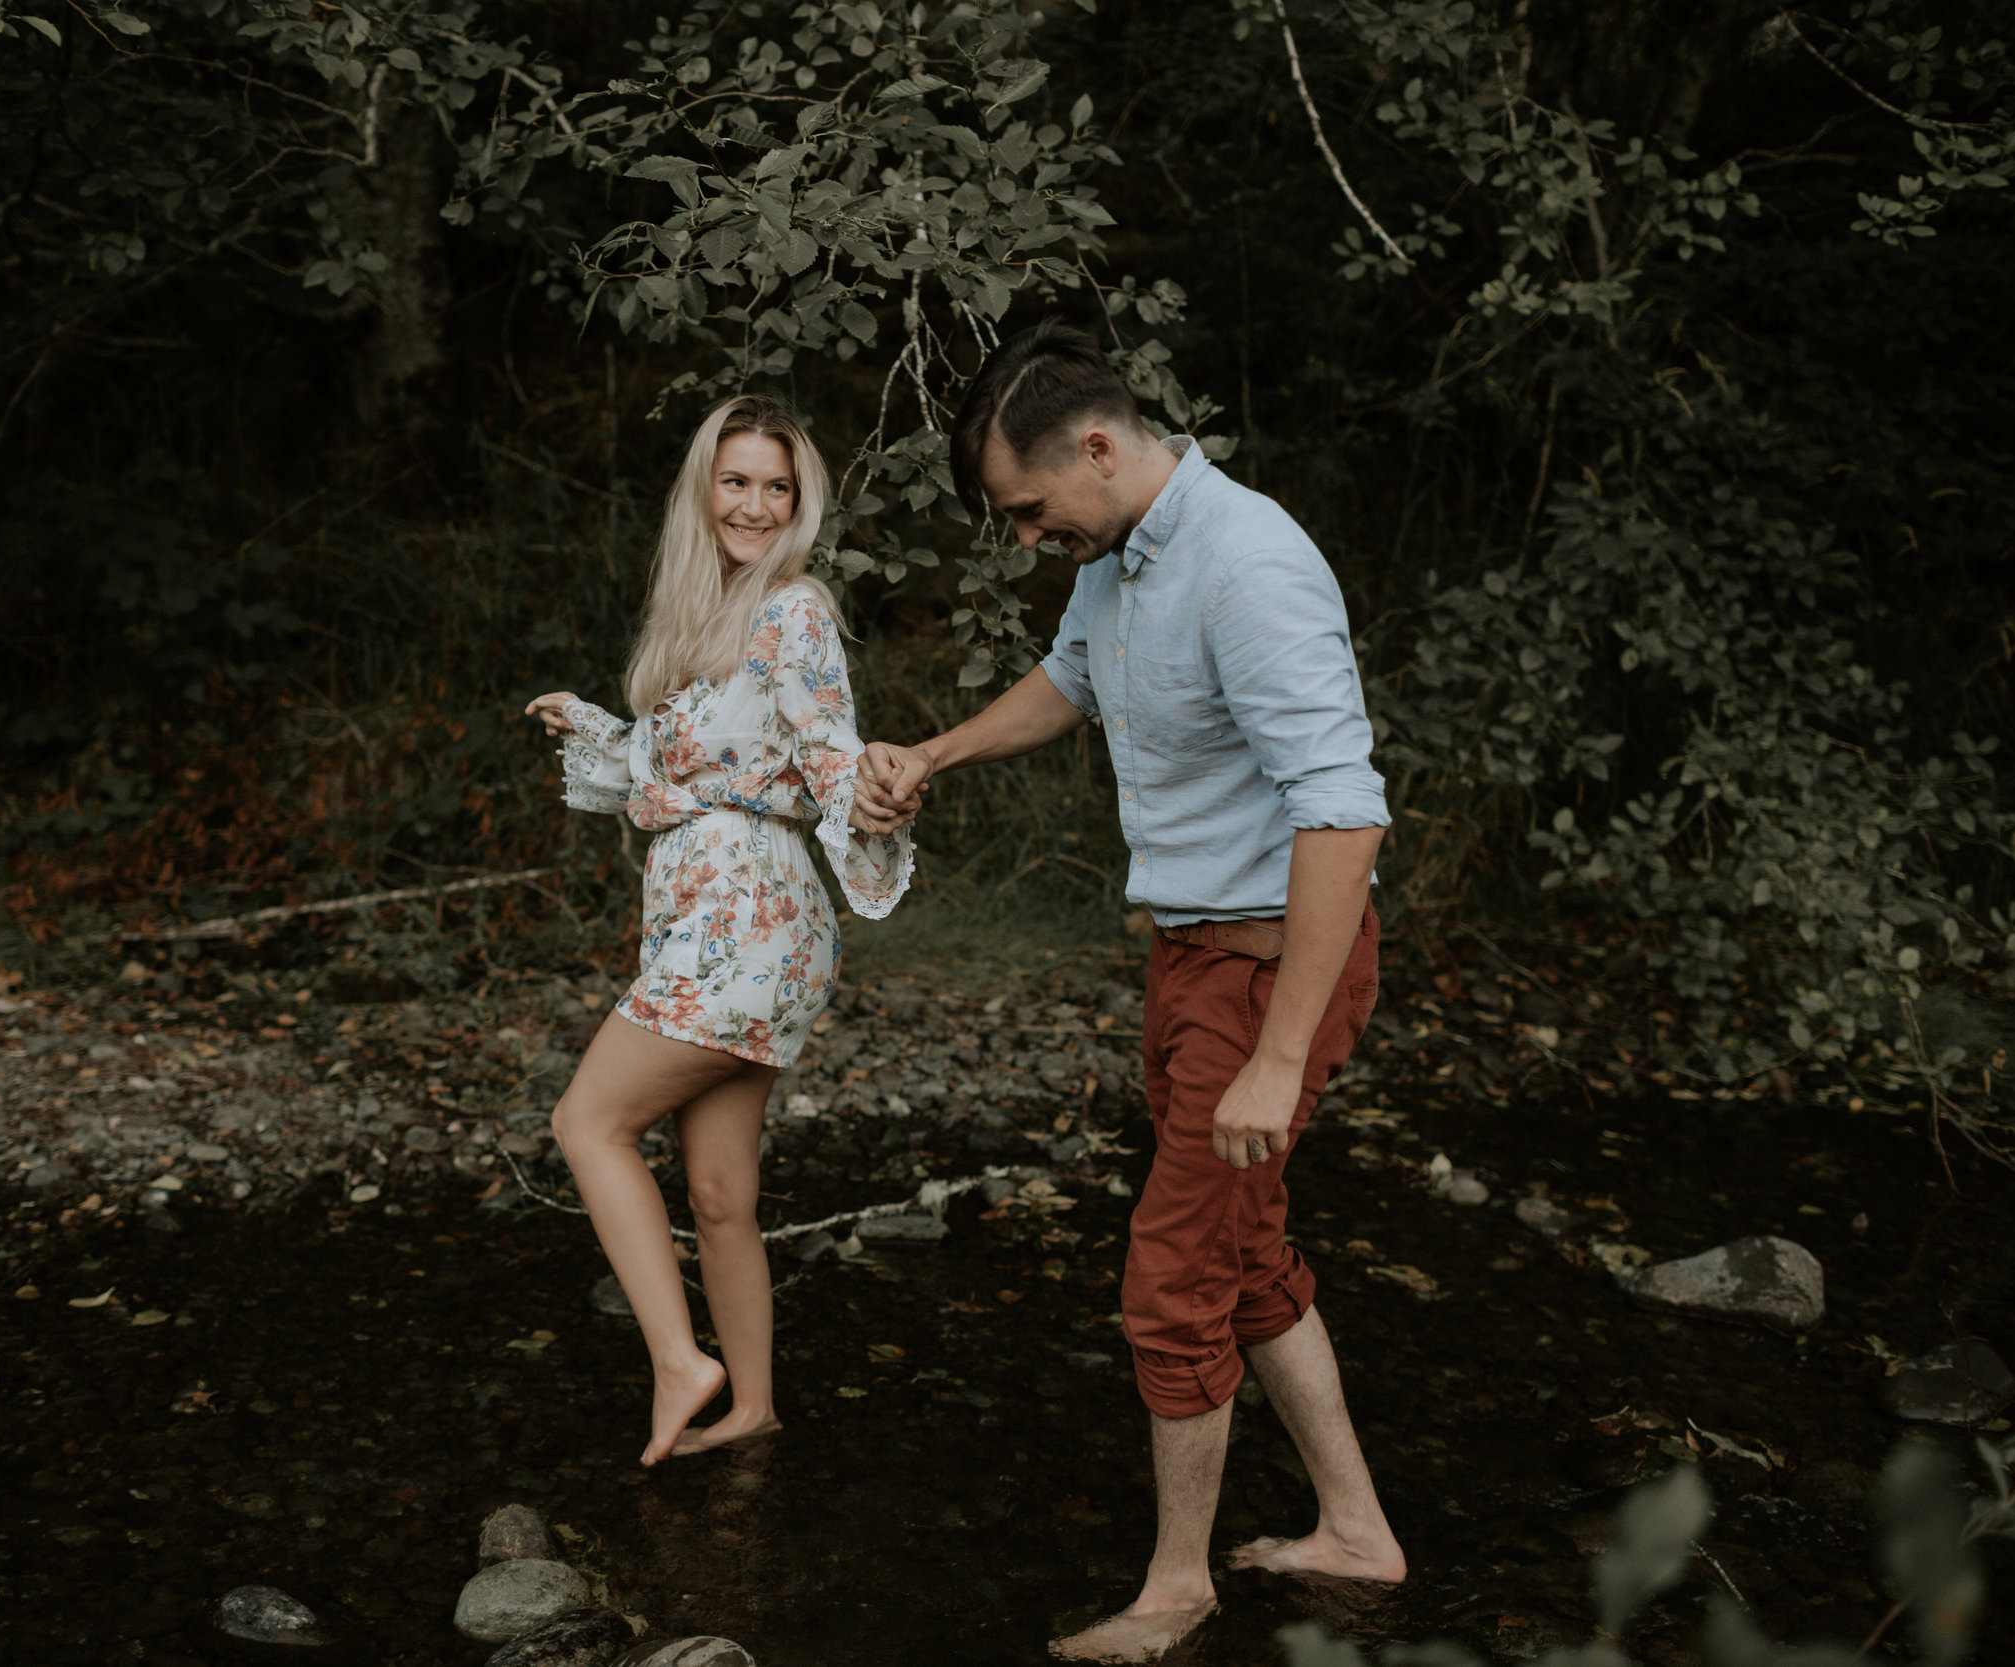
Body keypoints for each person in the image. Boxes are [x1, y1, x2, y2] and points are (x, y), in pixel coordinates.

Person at [858, 320, 1405, 1661]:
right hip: (1191, 956)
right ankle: (1356, 1530)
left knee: (1173, 1276)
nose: (1030, 536)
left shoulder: (1249, 562)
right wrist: (936, 751)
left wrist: (1277, 1056)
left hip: (1267, 976)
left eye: (1032, 509)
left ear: (1098, 445)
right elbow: (1069, 681)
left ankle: (1176, 1589)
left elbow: (1343, 816)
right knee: (1244, 1247)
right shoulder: (1127, 554)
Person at [525, 393, 917, 1467]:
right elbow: (699, 772)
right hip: (731, 920)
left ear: (800, 503)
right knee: (719, 1194)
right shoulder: (707, 616)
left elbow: (827, 748)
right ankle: (751, 1407)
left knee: (588, 1122)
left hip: (744, 923)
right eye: (735, 480)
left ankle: (678, 1360)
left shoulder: (791, 608)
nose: (753, 503)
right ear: (705, 487)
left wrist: (873, 796)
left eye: (776, 486)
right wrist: (598, 728)